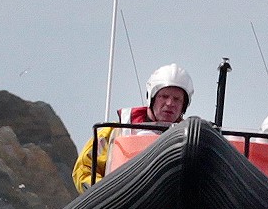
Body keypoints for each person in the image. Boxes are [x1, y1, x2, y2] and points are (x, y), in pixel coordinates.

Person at [72, 63, 194, 192]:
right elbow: (84, 169)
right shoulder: (115, 132)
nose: (170, 103)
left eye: (177, 99)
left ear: (184, 105)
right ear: (151, 97)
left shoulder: (190, 141)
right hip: (119, 204)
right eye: (164, 96)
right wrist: (105, 192)